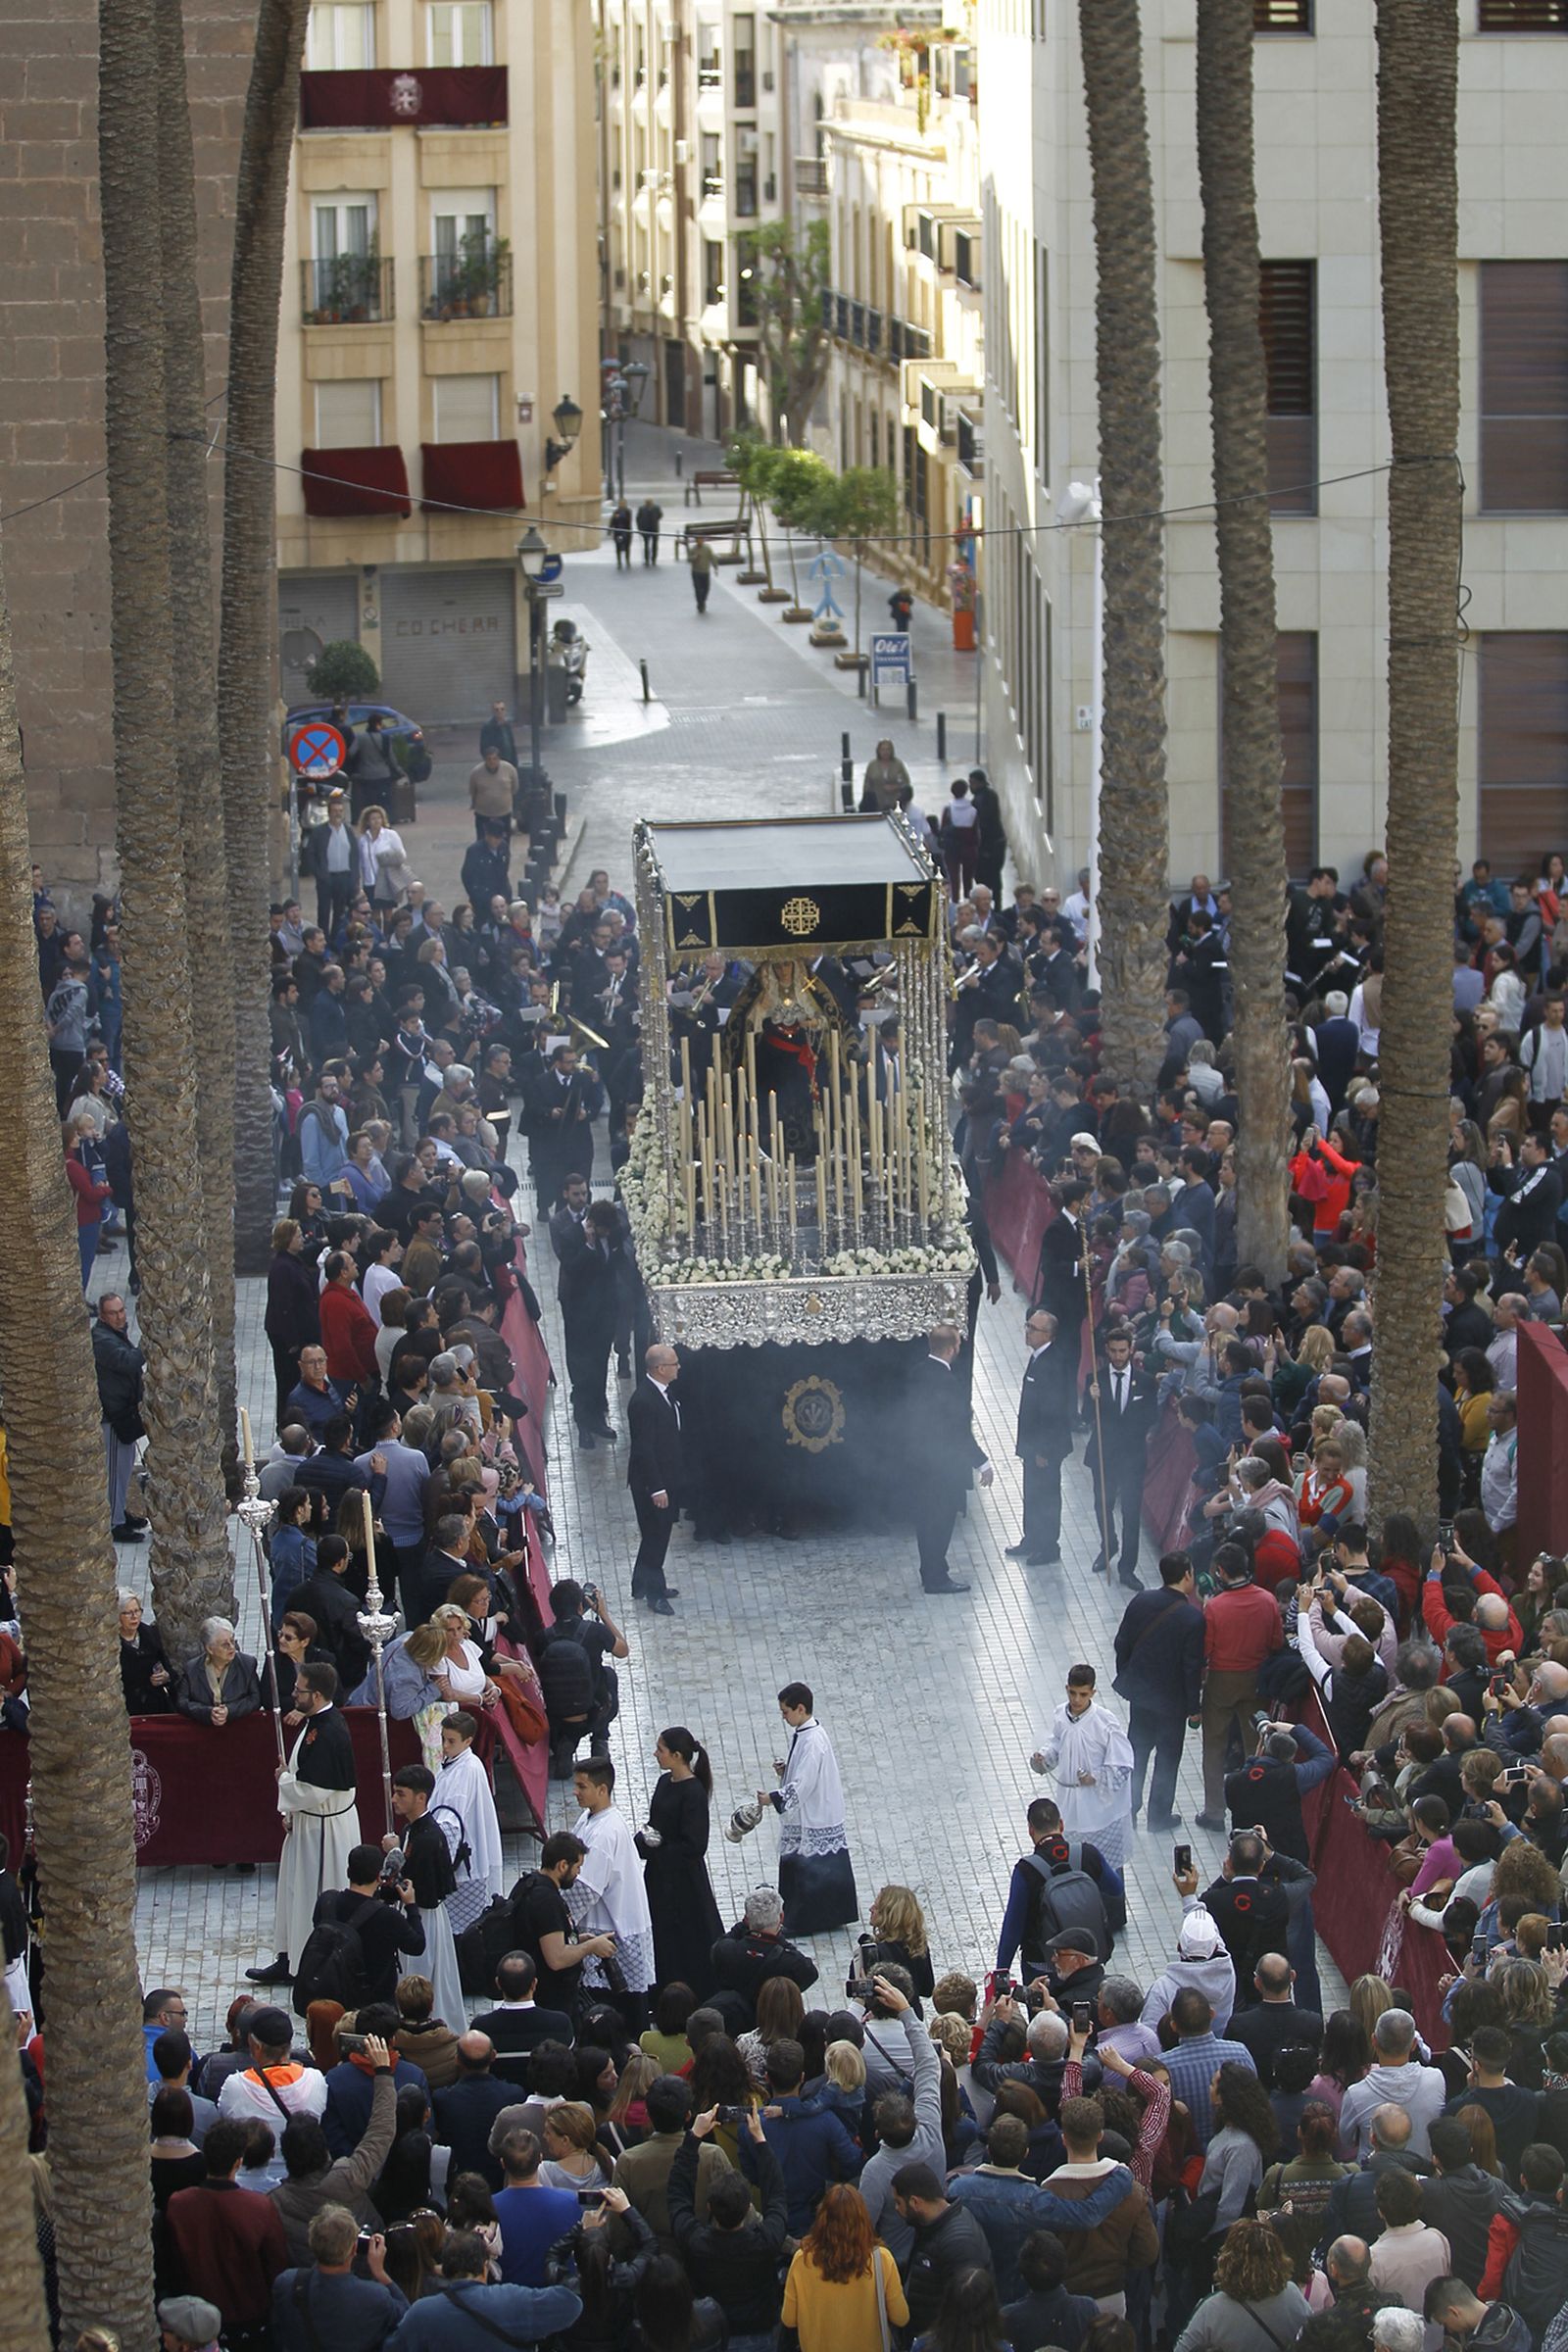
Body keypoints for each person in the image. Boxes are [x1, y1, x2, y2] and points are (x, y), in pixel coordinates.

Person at [245, 1664, 361, 1991]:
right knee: (294, 1894)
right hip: (309, 1822)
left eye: (300, 1690)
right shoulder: (316, 1723)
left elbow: (316, 1788)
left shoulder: (330, 1731)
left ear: (319, 1695)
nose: (294, 1694)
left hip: (324, 1831)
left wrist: (284, 1780)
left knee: (314, 1894)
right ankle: (289, 1957)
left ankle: (311, 1963)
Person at [165, 2120, 290, 2348]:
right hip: (250, 2323)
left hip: (197, 2324)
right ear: (238, 2162)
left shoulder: (179, 2205)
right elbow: (277, 2266)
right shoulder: (259, 2208)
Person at [1114, 1550, 1205, 1832]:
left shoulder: (1141, 1600)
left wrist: (1128, 1674)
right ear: (1187, 1575)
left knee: (1137, 1752)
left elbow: (1122, 1642)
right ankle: (1158, 1816)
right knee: (1167, 1758)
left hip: (1141, 1697)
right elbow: (1191, 1669)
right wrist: (1194, 1708)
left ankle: (1127, 1811)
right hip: (1171, 1703)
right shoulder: (1192, 1618)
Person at [757, 1681, 858, 1936]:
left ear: (800, 1709)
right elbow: (800, 1772)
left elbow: (804, 1783)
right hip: (813, 1810)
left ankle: (802, 1920)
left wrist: (774, 1798)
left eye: (785, 1712)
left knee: (808, 1871)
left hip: (815, 1814)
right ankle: (827, 1916)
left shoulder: (813, 1741)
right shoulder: (805, 1733)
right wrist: (785, 1771)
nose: (783, 1717)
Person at [380, 2224, 581, 2350]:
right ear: (485, 2267)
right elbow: (572, 2305)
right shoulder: (513, 2299)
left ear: (445, 2269)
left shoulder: (422, 2313)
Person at [566, 1755, 656, 2023]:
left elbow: (585, 1889)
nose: (575, 1792)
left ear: (602, 1790)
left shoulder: (605, 1832)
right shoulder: (590, 1817)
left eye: (582, 1786)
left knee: (615, 2015)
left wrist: (556, 1915)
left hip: (612, 1930)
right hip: (605, 1926)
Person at [906, 1323, 995, 1595]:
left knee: (925, 1520)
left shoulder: (916, 1373)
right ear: (951, 1349)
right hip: (942, 1466)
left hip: (920, 1462)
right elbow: (958, 1430)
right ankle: (936, 1577)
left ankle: (929, 1570)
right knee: (941, 1522)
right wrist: (982, 1462)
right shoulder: (949, 1383)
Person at [637, 1726, 723, 1997]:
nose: (655, 1754)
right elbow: (655, 1825)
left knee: (686, 1938)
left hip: (683, 1881)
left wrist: (660, 1850)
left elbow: (695, 1845)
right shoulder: (664, 1782)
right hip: (659, 1876)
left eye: (660, 1750)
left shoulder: (693, 1792)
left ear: (676, 1755)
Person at [383, 1765, 466, 2034]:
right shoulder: (412, 1830)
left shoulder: (428, 1838)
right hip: (414, 1913)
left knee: (422, 1978)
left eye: (400, 1794)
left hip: (424, 1917)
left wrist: (395, 1856)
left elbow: (423, 1889)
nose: (394, 1799)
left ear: (421, 1797)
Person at [1029, 1663, 1135, 1873]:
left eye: (1083, 1694)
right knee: (1076, 1867)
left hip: (1101, 1812)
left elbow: (1123, 1766)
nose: (1077, 1700)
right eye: (1073, 1693)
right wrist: (1045, 1756)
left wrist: (1095, 1778)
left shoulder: (1105, 1722)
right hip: (1071, 1807)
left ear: (1093, 1692)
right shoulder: (1060, 1714)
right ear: (1067, 1688)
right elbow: (1057, 1743)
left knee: (1108, 1873)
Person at [779, 2182, 908, 2352]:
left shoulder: (801, 2260)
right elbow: (901, 2317)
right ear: (863, 2218)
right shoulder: (881, 2259)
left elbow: (788, 2319)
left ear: (822, 2218)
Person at [271, 2201, 408, 2352]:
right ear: (354, 2248)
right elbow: (407, 2318)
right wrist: (379, 2272)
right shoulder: (375, 2296)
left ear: (311, 2242)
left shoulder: (287, 2283)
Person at [1172, 2214, 1311, 2352]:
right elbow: (1313, 2336)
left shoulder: (1212, 2308)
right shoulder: (1292, 2295)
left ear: (1227, 2259)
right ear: (1278, 2257)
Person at [1086, 1327, 1154, 1589]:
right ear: (1107, 1350)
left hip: (1133, 1457)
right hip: (1103, 1454)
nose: (1117, 1356)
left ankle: (1127, 1567)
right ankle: (1109, 1544)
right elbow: (1084, 1417)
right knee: (1102, 1504)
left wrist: (1130, 1431)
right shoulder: (1096, 1378)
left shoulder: (1146, 1381)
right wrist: (1092, 1400)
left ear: (1131, 1350)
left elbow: (1152, 1416)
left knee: (1130, 1512)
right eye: (1113, 1351)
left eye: (1122, 1351)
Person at [1009, 1306, 1072, 1568]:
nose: (1027, 1332)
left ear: (1048, 1334)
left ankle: (1048, 1545)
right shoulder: (1038, 1357)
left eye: (1032, 1329)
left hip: (1045, 1447)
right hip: (1032, 1444)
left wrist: (1044, 1450)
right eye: (1027, 1326)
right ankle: (1032, 1538)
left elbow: (1053, 1411)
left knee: (1046, 1494)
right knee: (1032, 1492)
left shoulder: (1052, 1364)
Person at [626, 1342, 684, 1613]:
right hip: (652, 1482)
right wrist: (657, 1488)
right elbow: (643, 1449)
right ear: (660, 1368)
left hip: (667, 1475)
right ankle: (654, 1593)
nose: (679, 1368)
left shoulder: (664, 1393)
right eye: (674, 1364)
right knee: (656, 1537)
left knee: (655, 1533)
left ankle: (640, 1582)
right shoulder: (643, 1401)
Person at [92, 1293, 147, 1540]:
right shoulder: (102, 1340)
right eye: (113, 1313)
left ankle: (120, 1513)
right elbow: (127, 1361)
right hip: (113, 1417)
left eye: (122, 1311)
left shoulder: (114, 1335)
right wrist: (150, 1343)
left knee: (124, 1468)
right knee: (115, 1469)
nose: (119, 1317)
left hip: (124, 1413)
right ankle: (115, 1523)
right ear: (103, 1316)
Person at [688, 534, 714, 612]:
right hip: (696, 572)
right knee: (698, 589)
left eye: (701, 539)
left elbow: (712, 557)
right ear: (696, 540)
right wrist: (694, 557)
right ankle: (700, 604)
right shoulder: (693, 549)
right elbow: (689, 559)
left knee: (706, 588)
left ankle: (703, 601)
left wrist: (715, 566)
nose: (699, 541)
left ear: (703, 540)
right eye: (698, 539)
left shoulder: (707, 548)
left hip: (705, 571)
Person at [611, 502, 634, 568]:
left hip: (626, 532)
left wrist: (619, 517)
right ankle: (619, 562)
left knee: (627, 547)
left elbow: (628, 521)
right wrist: (610, 530)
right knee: (618, 547)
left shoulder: (628, 512)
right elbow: (612, 521)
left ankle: (627, 561)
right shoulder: (616, 511)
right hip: (618, 532)